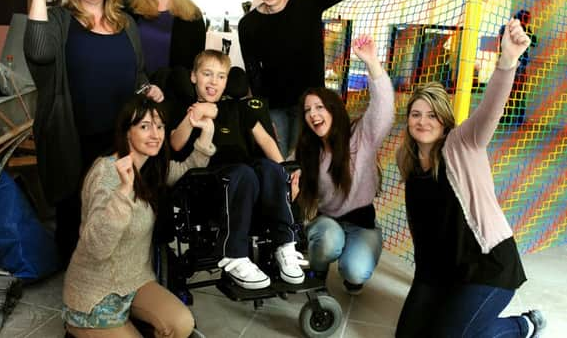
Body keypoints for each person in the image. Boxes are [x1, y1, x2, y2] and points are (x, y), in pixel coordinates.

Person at [394, 18, 546, 338]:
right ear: (407, 120)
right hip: (443, 273)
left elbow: (491, 109)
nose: (423, 121)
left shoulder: (462, 143)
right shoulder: (407, 161)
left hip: (489, 267)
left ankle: (523, 325)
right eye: (416, 114)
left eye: (432, 114)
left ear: (444, 118)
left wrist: (507, 62)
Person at [24, 0, 164, 266]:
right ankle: (78, 291)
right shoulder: (61, 20)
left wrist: (148, 88)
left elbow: (137, 71)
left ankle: (116, 274)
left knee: (118, 207)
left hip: (119, 138)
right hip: (73, 136)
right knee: (76, 215)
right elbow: (38, 51)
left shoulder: (125, 23)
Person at [63, 94, 215, 338]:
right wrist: (123, 194)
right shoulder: (106, 174)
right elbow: (96, 248)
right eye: (144, 126)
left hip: (136, 281)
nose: (155, 134)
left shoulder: (150, 168)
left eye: (159, 126)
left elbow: (185, 170)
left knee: (181, 323)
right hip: (95, 290)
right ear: (126, 132)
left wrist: (206, 135)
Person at [168, 50, 307, 290]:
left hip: (247, 178)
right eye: (207, 74)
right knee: (243, 173)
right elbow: (175, 144)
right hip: (208, 183)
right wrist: (195, 116)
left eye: (221, 76)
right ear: (193, 77)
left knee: (269, 168)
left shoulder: (239, 109)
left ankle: (284, 246)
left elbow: (265, 141)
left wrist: (287, 173)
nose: (213, 82)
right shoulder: (183, 108)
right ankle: (234, 253)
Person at [238, 0, 366, 157]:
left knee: (307, 164)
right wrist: (265, 117)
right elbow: (254, 75)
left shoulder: (308, 3)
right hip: (276, 108)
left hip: (310, 105)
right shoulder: (249, 24)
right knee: (280, 164)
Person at [291, 35, 394, 295]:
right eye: (307, 110)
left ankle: (353, 267)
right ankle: (318, 270)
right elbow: (291, 186)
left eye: (319, 107)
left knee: (355, 270)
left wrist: (372, 62)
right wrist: (293, 191)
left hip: (362, 223)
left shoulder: (361, 136)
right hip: (327, 223)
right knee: (328, 240)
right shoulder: (305, 151)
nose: (313, 114)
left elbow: (383, 108)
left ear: (334, 109)